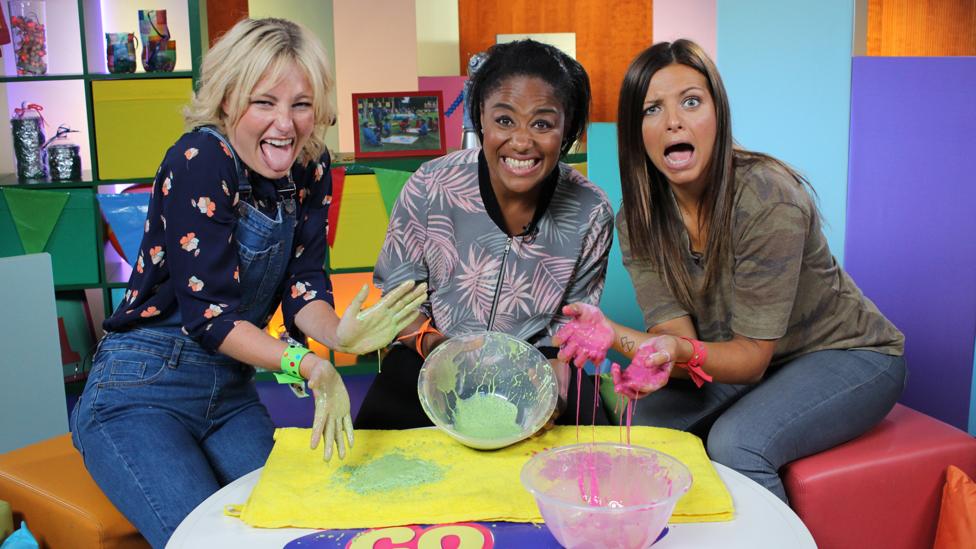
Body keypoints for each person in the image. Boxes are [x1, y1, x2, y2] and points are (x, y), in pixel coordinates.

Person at [69, 18, 426, 548]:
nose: (285, 124)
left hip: (229, 390)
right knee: (215, 541)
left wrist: (339, 336)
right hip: (141, 389)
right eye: (264, 102)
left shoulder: (312, 166)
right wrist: (307, 363)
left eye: (301, 105)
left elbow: (304, 282)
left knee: (297, 529)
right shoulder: (201, 157)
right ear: (229, 99)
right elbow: (210, 317)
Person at [554, 39, 906, 503]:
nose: (674, 120)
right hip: (750, 359)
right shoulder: (638, 219)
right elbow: (675, 344)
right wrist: (628, 344)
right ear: (636, 131)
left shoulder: (767, 199)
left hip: (847, 355)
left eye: (691, 102)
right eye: (652, 108)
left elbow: (749, 359)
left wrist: (663, 346)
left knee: (737, 443)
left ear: (717, 115)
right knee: (643, 426)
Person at [354, 39, 615, 430]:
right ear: (480, 117)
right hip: (431, 353)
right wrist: (445, 354)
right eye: (504, 120)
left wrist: (549, 393)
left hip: (538, 363)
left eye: (542, 123)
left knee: (590, 461)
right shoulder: (430, 186)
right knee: (372, 459)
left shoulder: (591, 211)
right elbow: (399, 302)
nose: (522, 142)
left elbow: (571, 327)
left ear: (568, 129)